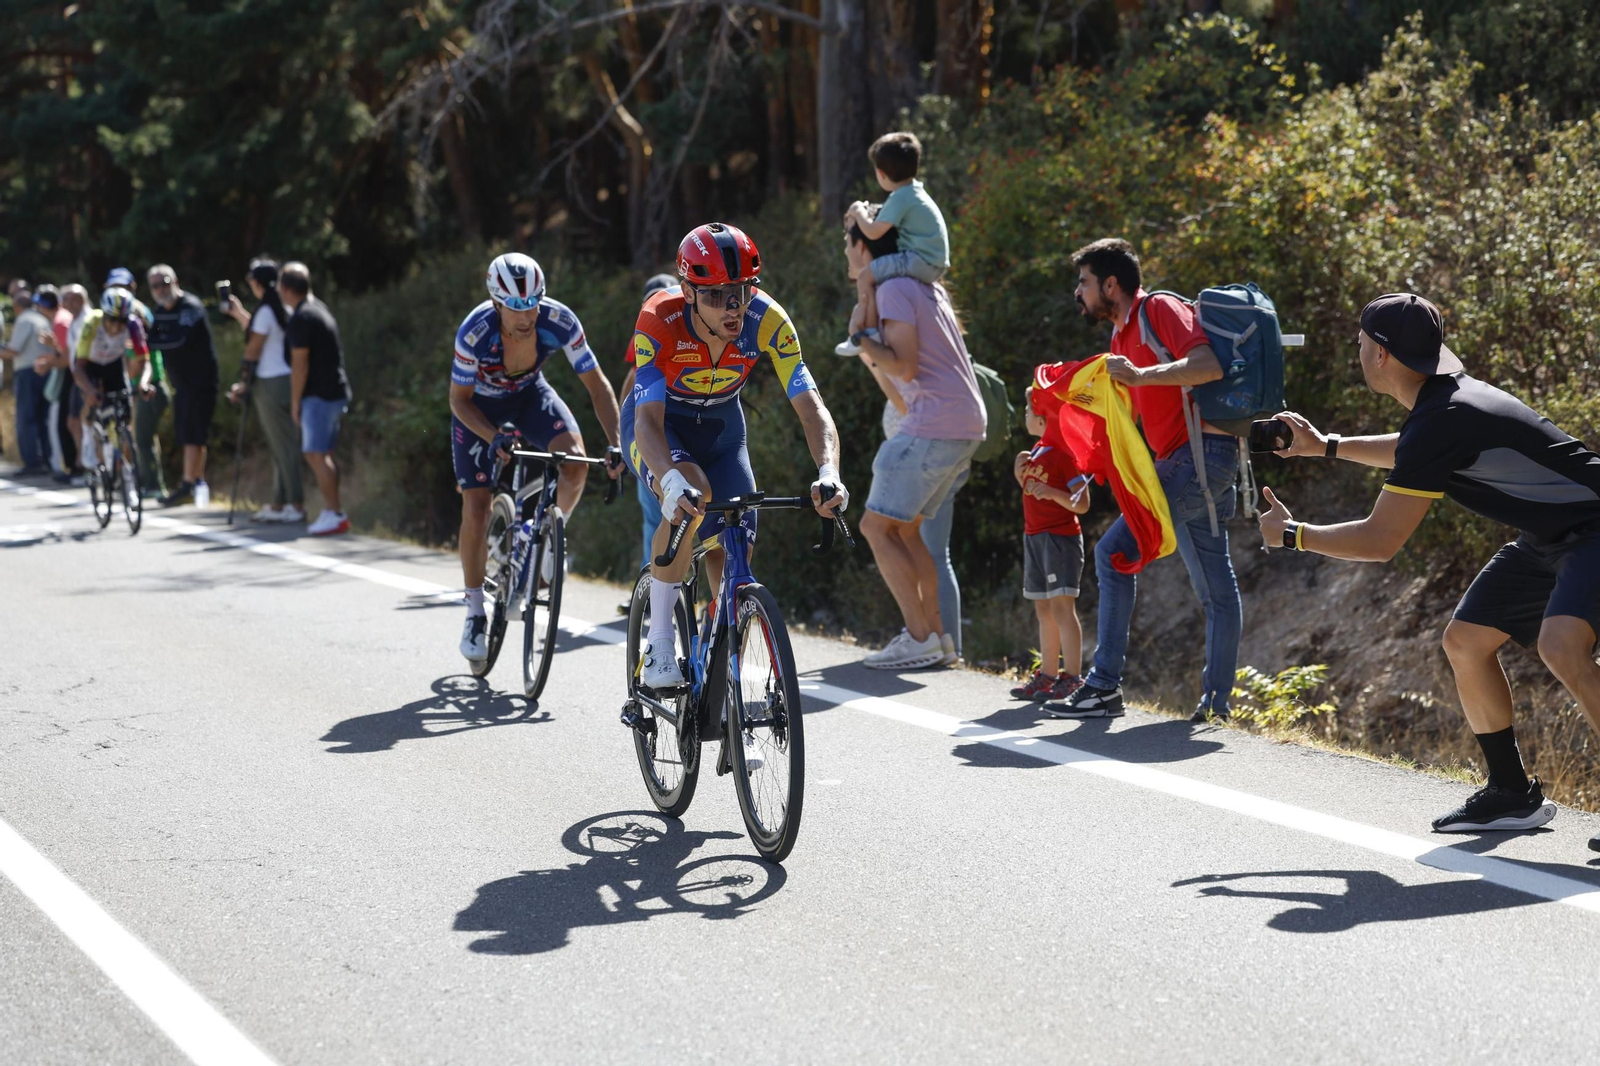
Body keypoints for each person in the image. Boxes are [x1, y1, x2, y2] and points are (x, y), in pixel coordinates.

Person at [1258, 293, 1600, 843]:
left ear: (1383, 356)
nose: (1358, 352)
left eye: (1362, 343)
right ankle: (1511, 794)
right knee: (1465, 641)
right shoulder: (1444, 406)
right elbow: (1412, 449)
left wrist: (1293, 535)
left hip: (1593, 530)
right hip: (1553, 536)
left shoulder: (1444, 418)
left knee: (1561, 647)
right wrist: (1325, 447)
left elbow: (1379, 541)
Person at [622, 223, 846, 690]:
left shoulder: (769, 321)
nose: (733, 307)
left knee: (739, 534)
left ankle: (722, 657)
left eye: (742, 291)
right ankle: (660, 642)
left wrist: (829, 471)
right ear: (687, 291)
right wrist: (667, 480)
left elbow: (812, 410)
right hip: (662, 427)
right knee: (691, 498)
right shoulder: (658, 318)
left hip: (724, 430)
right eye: (718, 295)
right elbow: (646, 421)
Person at [1053, 238, 1240, 722]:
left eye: (1084, 282)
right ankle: (1217, 706)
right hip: (1195, 462)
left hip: (1198, 456)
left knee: (1111, 557)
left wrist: (1138, 376)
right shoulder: (1119, 340)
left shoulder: (1158, 309)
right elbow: (1125, 426)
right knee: (1216, 589)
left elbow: (1208, 365)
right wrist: (1091, 476)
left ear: (1110, 284)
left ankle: (1103, 687)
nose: (1079, 292)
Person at [451, 252, 624, 664]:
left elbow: (598, 388)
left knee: (576, 464)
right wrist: (494, 437)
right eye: (515, 307)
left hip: (530, 396)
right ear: (496, 303)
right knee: (476, 507)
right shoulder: (474, 333)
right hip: (481, 409)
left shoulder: (559, 321)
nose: (526, 315)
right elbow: (458, 401)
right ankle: (475, 609)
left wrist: (618, 441)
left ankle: (544, 539)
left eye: (533, 304)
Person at [843, 210, 985, 671]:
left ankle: (919, 637)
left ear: (864, 248)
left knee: (873, 527)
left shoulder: (895, 289)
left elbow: (902, 367)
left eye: (848, 245)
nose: (846, 254)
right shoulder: (925, 286)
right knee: (904, 530)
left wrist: (863, 339)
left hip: (934, 424)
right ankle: (939, 638)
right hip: (962, 425)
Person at [1009, 385, 1091, 701]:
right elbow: (1035, 492)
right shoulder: (1039, 451)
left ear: (1043, 416)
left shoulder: (1064, 453)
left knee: (1062, 607)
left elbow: (1081, 503)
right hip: (1035, 537)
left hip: (1060, 540)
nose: (1025, 415)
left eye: (1029, 410)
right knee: (1043, 607)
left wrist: (1055, 494)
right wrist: (1021, 476)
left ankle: (1072, 677)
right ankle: (1048, 675)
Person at [837, 131, 951, 356]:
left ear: (881, 174)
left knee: (865, 277)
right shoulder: (914, 191)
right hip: (934, 261)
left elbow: (872, 232)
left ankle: (868, 334)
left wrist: (859, 211)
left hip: (920, 261)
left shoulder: (900, 197)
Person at [225, 258, 305, 523]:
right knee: (282, 444)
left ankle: (295, 504)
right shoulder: (280, 308)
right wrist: (239, 314)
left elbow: (253, 350)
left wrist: (243, 383)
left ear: (257, 283)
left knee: (284, 446)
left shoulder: (266, 310)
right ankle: (280, 503)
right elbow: (263, 332)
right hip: (286, 380)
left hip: (270, 383)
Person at [280, 262, 354, 536]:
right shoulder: (317, 307)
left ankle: (334, 513)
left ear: (285, 289)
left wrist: (295, 402)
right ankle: (332, 511)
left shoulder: (302, 317)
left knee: (315, 453)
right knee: (323, 454)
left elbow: (300, 365)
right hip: (333, 391)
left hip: (319, 395)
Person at [621, 273, 678, 571]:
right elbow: (633, 380)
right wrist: (624, 435)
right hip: (650, 426)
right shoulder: (646, 329)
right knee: (655, 514)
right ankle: (649, 581)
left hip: (679, 422)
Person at [146, 264, 217, 506]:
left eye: (164, 283)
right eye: (155, 285)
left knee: (194, 433)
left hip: (201, 380)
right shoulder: (160, 311)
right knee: (189, 431)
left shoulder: (190, 307)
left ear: (175, 280)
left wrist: (158, 340)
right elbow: (150, 341)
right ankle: (196, 482)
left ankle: (189, 484)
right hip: (181, 383)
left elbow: (178, 340)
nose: (160, 289)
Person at [103, 269, 165, 497]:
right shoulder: (109, 312)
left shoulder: (138, 311)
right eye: (114, 287)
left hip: (146, 378)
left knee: (142, 435)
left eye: (124, 287)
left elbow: (146, 350)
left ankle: (150, 484)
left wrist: (142, 380)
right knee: (128, 432)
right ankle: (129, 479)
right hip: (126, 378)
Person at [72, 289, 154, 459]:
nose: (116, 326)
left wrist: (144, 383)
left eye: (122, 320)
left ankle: (124, 468)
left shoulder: (133, 324)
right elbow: (78, 367)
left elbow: (145, 362)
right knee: (92, 398)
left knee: (125, 416)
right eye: (112, 319)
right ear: (103, 315)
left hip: (114, 364)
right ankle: (87, 433)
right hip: (90, 363)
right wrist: (89, 390)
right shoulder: (92, 322)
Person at [1, 289, 54, 475]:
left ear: (17, 307)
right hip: (45, 371)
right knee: (43, 418)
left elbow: (13, 350)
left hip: (28, 372)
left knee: (26, 418)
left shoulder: (24, 320)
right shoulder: (42, 319)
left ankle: (32, 462)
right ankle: (48, 459)